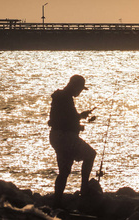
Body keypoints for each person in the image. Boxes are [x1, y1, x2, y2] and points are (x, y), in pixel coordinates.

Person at [48, 75, 96, 207]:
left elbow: (65, 118)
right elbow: (68, 120)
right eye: (80, 89)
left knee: (64, 171)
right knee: (91, 154)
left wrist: (80, 118)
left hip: (56, 136)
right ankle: (84, 190)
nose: (80, 92)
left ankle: (57, 202)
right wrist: (80, 121)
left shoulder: (60, 97)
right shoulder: (66, 99)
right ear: (75, 86)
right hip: (65, 137)